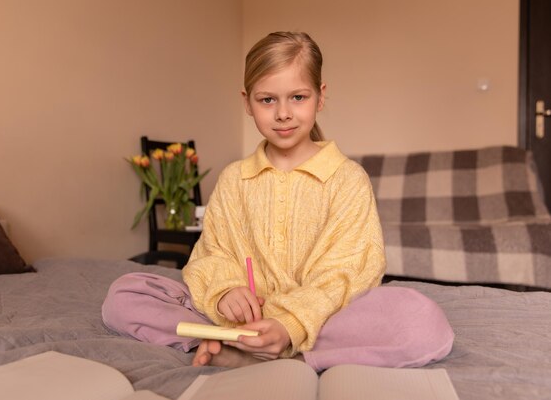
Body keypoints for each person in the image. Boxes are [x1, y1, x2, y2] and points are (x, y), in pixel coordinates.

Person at [102, 31, 454, 372]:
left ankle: (279, 354)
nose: (283, 113)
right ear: (247, 102)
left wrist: (289, 323)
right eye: (267, 99)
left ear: (320, 95)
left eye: (298, 97)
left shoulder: (347, 179)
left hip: (320, 321)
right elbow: (213, 252)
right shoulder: (233, 179)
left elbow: (350, 270)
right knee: (125, 294)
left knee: (420, 320)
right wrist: (226, 291)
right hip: (241, 320)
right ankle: (236, 343)